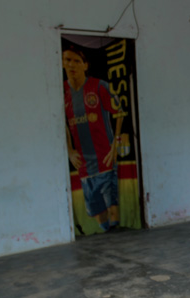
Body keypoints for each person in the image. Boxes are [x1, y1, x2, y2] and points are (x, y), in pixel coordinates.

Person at [63, 47, 124, 232]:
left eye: (76, 61)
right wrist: (70, 150)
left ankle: (117, 237)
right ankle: (107, 237)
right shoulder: (61, 91)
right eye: (67, 60)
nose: (71, 64)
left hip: (105, 156)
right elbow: (62, 123)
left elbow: (119, 112)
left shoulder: (99, 86)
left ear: (85, 65)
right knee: (97, 208)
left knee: (112, 203)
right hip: (83, 162)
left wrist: (116, 143)